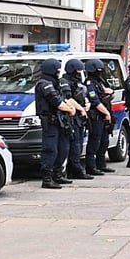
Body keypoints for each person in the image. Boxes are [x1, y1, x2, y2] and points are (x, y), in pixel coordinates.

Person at [35, 58, 76, 189]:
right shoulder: (44, 84)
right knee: (50, 150)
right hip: (50, 122)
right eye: (57, 70)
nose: (59, 72)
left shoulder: (55, 83)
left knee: (63, 148)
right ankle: (47, 179)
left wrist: (70, 106)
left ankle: (57, 174)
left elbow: (63, 98)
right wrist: (69, 109)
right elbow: (56, 101)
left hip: (59, 121)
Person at [60, 59, 92, 180]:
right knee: (74, 145)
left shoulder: (78, 82)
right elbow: (68, 98)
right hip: (72, 117)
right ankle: (74, 170)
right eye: (78, 70)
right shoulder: (65, 82)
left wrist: (87, 104)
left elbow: (83, 95)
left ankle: (75, 169)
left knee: (78, 144)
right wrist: (81, 109)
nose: (79, 73)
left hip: (79, 117)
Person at [84, 59, 115, 175]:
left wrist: (110, 92)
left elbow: (107, 96)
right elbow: (95, 102)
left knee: (104, 141)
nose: (100, 72)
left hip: (103, 116)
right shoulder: (89, 83)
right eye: (98, 70)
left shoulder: (100, 82)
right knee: (94, 142)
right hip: (96, 116)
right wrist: (106, 113)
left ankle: (101, 165)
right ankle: (91, 167)